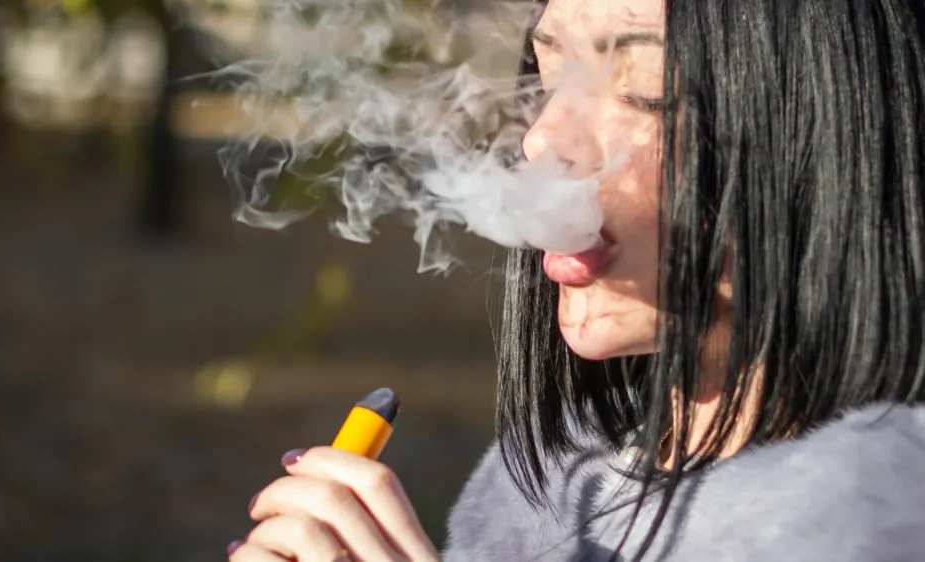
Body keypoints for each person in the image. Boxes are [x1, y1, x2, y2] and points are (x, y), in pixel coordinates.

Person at [226, 0, 925, 559]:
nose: (541, 139)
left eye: (644, 90)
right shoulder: (535, 504)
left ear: (830, 121)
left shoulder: (879, 525)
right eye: (550, 72)